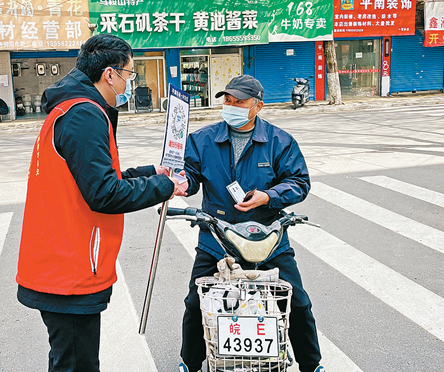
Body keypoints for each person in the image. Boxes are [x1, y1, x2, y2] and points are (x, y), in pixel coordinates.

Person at [16, 34, 181, 372]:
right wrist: (163, 186)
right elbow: (105, 193)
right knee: (77, 364)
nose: (129, 84)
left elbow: (95, 176)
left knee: (73, 361)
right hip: (68, 267)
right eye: (129, 75)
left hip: (64, 261)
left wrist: (152, 172)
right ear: (110, 74)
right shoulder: (84, 115)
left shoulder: (73, 108)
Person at [177, 75, 324, 372]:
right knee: (196, 302)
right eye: (227, 101)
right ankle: (190, 364)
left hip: (268, 238)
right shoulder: (202, 139)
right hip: (217, 238)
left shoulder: (279, 141)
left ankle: (312, 365)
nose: (231, 107)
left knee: (297, 302)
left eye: (239, 102)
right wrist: (180, 182)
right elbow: (189, 176)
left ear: (258, 105)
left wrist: (268, 197)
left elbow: (299, 182)